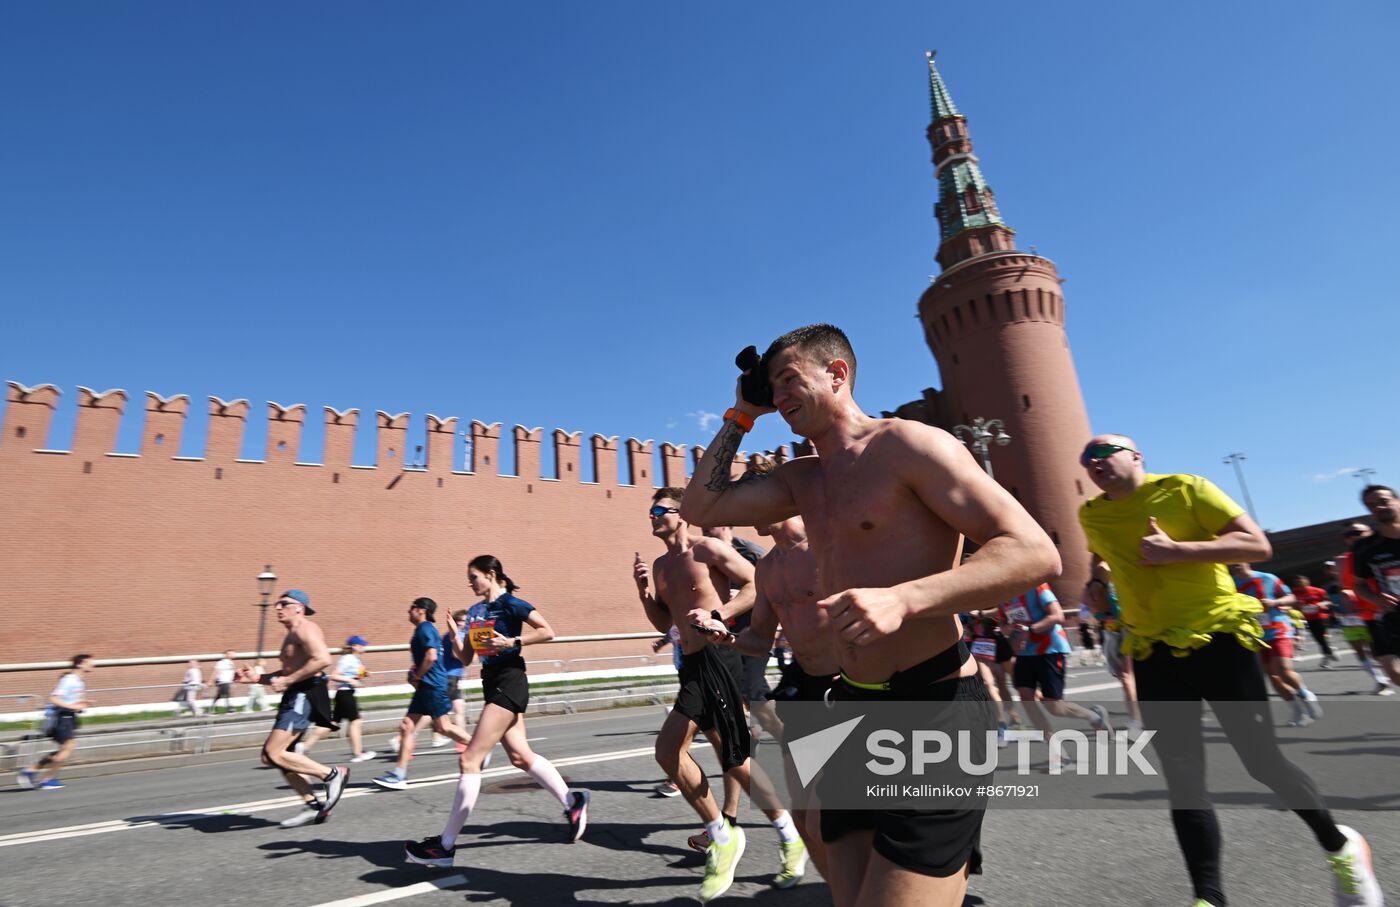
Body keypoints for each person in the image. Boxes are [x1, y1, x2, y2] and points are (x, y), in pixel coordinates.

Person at [681, 324, 1060, 907]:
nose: (779, 396)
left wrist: (905, 598)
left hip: (934, 709)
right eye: (771, 386)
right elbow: (700, 506)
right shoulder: (801, 479)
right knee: (848, 892)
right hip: (851, 706)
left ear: (837, 373)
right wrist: (740, 415)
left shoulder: (908, 446)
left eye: (789, 380)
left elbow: (1034, 551)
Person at [1076, 435, 1381, 906]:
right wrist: (1097, 585)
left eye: (1103, 452)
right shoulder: (1091, 514)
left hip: (1219, 638)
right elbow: (1103, 559)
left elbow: (1256, 545)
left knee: (1261, 763)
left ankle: (1341, 848)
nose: (1093, 462)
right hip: (1154, 649)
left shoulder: (1185, 488)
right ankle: (1209, 897)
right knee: (1182, 778)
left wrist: (1178, 551)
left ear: (1136, 456)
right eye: (1085, 459)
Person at [636, 487, 798, 902]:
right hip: (691, 664)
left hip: (718, 658)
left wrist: (717, 615)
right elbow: (662, 624)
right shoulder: (660, 565)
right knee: (730, 758)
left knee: (676, 749)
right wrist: (644, 595)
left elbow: (755, 586)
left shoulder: (707, 549)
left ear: (680, 514)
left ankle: (725, 835)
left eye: (659, 510)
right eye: (650, 511)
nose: (652, 516)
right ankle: (778, 834)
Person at [405, 556, 589, 869]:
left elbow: (547, 631)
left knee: (469, 759)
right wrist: (454, 633)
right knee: (520, 757)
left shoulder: (512, 604)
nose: (470, 583)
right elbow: (465, 658)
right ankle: (573, 801)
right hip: (491, 683)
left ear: (491, 575)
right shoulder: (476, 611)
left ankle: (445, 846)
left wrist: (511, 641)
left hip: (510, 680)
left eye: (473, 577)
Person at [711, 504, 835, 887]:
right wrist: (726, 635)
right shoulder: (767, 567)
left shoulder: (829, 546)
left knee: (855, 811)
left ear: (784, 500)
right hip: (804, 682)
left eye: (756, 500)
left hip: (851, 680)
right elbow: (760, 636)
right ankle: (840, 891)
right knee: (806, 816)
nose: (748, 510)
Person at [234, 589, 349, 828]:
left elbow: (322, 659)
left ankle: (331, 775)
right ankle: (313, 806)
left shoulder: (304, 628)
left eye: (283, 603)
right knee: (272, 757)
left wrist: (287, 681)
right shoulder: (292, 634)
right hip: (296, 691)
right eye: (277, 604)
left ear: (299, 607)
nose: (277, 607)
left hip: (304, 692)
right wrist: (256, 679)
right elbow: (285, 673)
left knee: (275, 752)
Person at [997, 582, 1112, 770]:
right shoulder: (1002, 597)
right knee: (1026, 698)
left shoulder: (1037, 587)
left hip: (1050, 649)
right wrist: (1007, 630)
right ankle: (1058, 754)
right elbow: (1004, 624)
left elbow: (1057, 615)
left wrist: (1029, 630)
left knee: (1054, 707)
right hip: (1024, 654)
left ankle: (1095, 716)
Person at [373, 597, 473, 790]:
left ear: (421, 610)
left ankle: (480, 748)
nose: (408, 611)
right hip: (425, 685)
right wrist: (415, 674)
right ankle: (399, 775)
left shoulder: (426, 628)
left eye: (412, 608)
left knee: (443, 727)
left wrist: (417, 675)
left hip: (433, 684)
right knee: (406, 726)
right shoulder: (422, 630)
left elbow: (431, 656)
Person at [1228, 564, 1321, 726]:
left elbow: (1291, 598)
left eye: (1238, 560)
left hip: (1278, 628)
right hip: (1255, 634)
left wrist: (1275, 602)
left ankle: (1306, 695)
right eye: (1231, 562)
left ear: (1247, 561)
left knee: (1283, 670)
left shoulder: (1267, 578)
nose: (1234, 565)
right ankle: (1297, 710)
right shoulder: (1230, 583)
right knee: (1272, 676)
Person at [17, 655, 95, 791]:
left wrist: (82, 704)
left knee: (64, 750)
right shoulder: (69, 680)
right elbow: (53, 698)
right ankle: (47, 779)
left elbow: (69, 700)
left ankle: (31, 770)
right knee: (69, 747)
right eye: (90, 662)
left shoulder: (79, 681)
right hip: (61, 718)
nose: (93, 665)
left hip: (69, 718)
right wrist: (72, 707)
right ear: (80, 664)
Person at [1084, 568, 1143, 736]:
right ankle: (1137, 718)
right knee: (1126, 678)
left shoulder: (1112, 592)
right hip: (1114, 634)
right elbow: (1101, 616)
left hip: (1130, 632)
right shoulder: (1101, 599)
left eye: (1091, 601)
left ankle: (1136, 723)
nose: (1090, 606)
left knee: (1126, 676)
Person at [298, 636, 377, 762]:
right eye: (361, 645)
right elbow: (334, 676)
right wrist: (350, 680)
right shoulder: (347, 659)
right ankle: (357, 753)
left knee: (333, 723)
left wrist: (365, 673)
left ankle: (304, 746)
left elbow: (355, 674)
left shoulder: (355, 660)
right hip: (345, 694)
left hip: (345, 694)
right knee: (356, 722)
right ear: (354, 646)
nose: (364, 647)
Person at [1352, 485, 1400, 689]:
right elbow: (1359, 585)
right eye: (1371, 505)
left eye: (1383, 501)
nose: (1378, 507)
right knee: (1394, 672)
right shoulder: (1365, 548)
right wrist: (1377, 599)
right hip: (1396, 615)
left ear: (1397, 501)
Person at [1322, 559, 1393, 694]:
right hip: (1347, 622)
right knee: (1359, 652)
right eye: (1328, 568)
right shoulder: (1329, 587)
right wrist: (1328, 606)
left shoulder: (1355, 581)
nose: (1332, 570)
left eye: (1333, 567)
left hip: (1365, 620)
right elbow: (1330, 602)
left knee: (1376, 653)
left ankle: (1389, 674)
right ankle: (1380, 681)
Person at [1289, 574, 1337, 668]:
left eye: (1301, 581)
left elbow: (1328, 602)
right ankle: (1329, 650)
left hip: (1320, 617)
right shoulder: (1294, 592)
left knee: (1322, 637)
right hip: (1308, 618)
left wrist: (1321, 604)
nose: (1299, 584)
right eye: (1297, 582)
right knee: (1317, 638)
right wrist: (1296, 606)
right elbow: (1292, 604)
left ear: (1307, 581)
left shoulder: (1318, 591)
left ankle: (1326, 655)